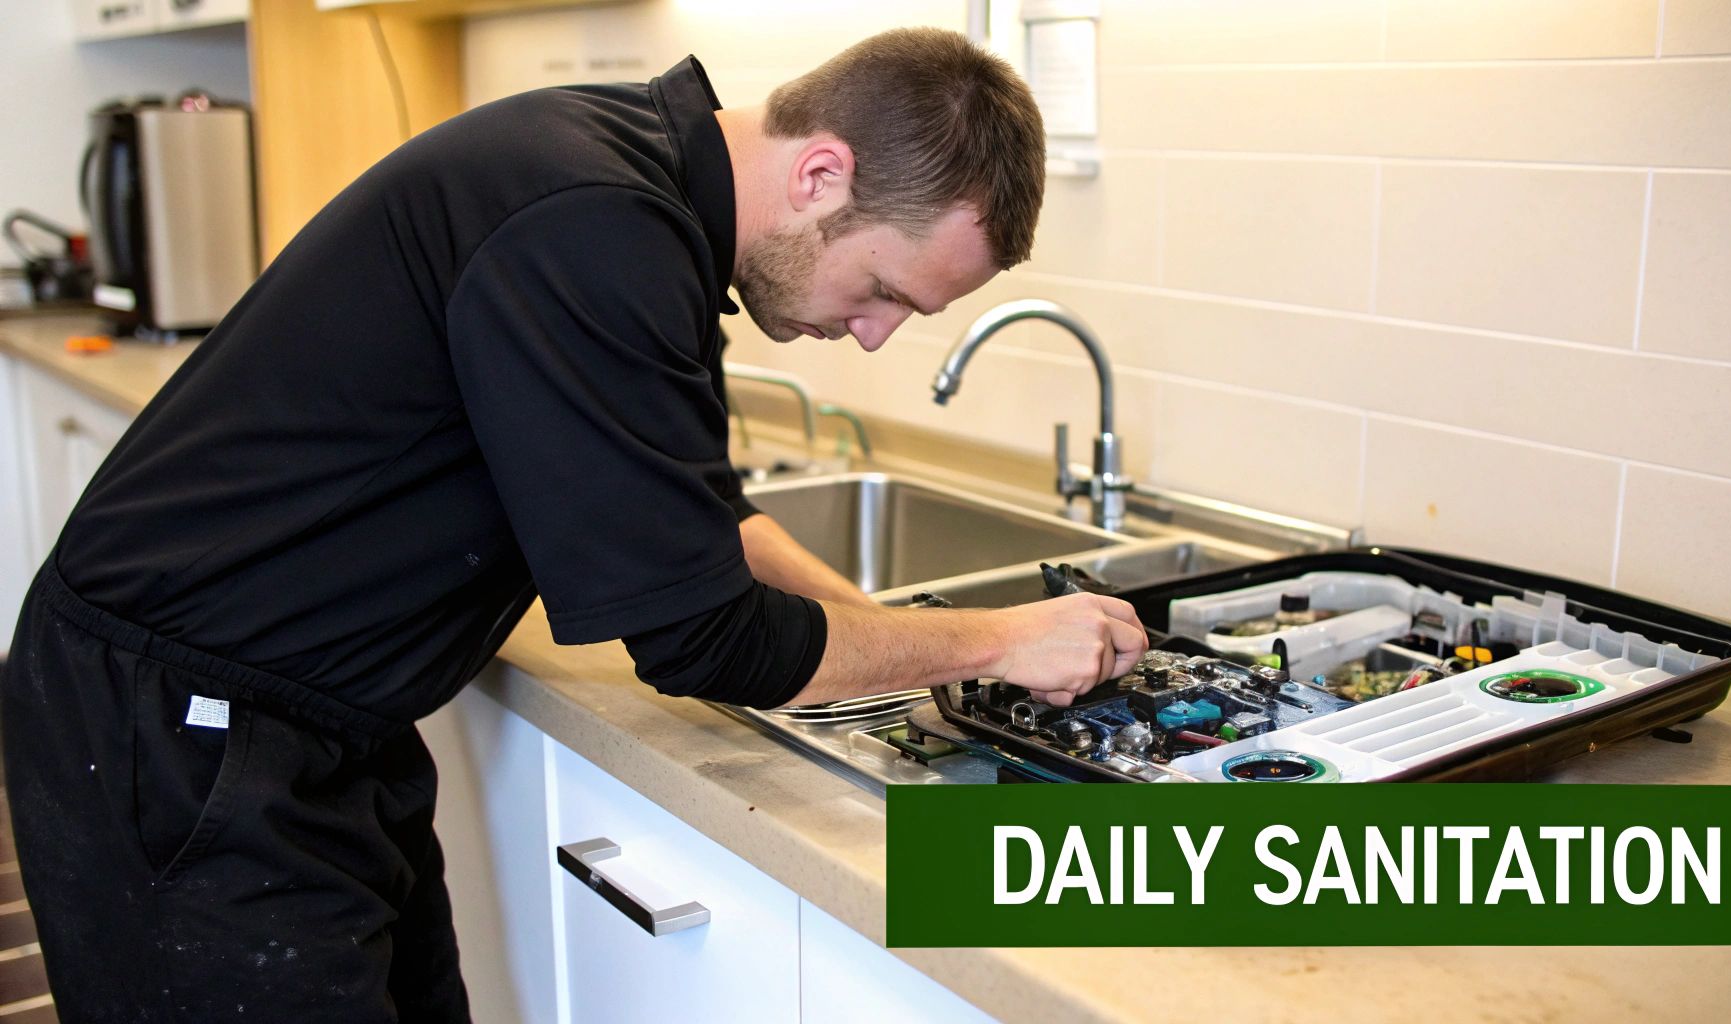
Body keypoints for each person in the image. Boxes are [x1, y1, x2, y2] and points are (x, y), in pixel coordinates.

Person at [1, 27, 1147, 1021]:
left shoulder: (636, 195)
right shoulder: (593, 224)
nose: (874, 335)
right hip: (180, 734)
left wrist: (878, 628)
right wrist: (994, 638)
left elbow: (696, 518)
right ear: (820, 172)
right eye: (888, 290)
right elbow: (703, 637)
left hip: (306, 730)